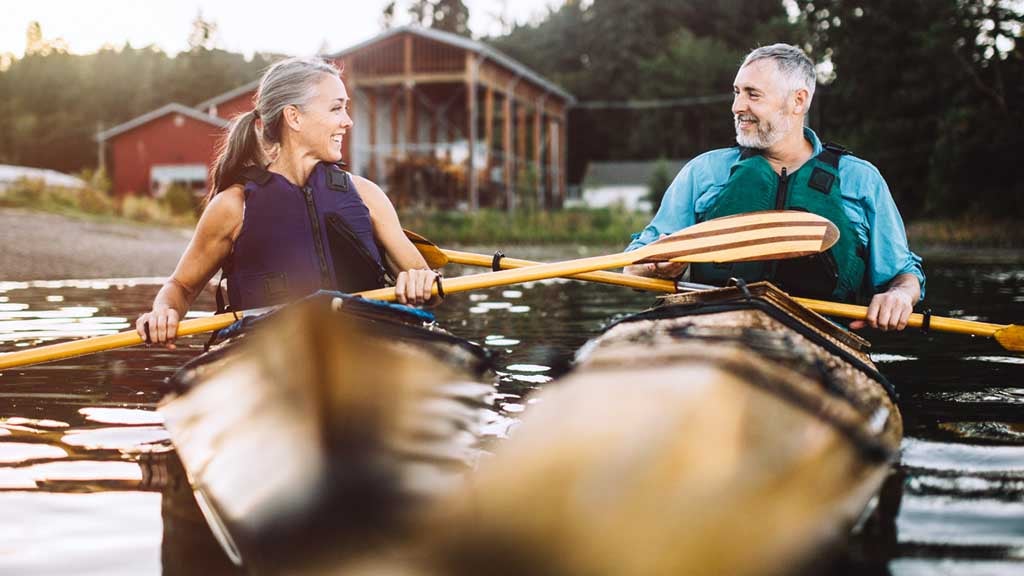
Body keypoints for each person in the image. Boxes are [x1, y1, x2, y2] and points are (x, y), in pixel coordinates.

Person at [137, 57, 440, 347]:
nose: (347, 122)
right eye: (336, 109)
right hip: (269, 354)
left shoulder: (367, 196)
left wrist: (420, 283)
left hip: (365, 346)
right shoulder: (233, 206)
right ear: (294, 117)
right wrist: (165, 311)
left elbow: (431, 288)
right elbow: (181, 287)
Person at [624, 44, 925, 332]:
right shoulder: (703, 172)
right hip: (712, 331)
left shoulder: (861, 180)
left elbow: (903, 274)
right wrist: (656, 267)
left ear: (798, 101)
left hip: (820, 338)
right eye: (737, 92)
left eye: (753, 95)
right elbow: (632, 266)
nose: (737, 106)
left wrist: (900, 295)